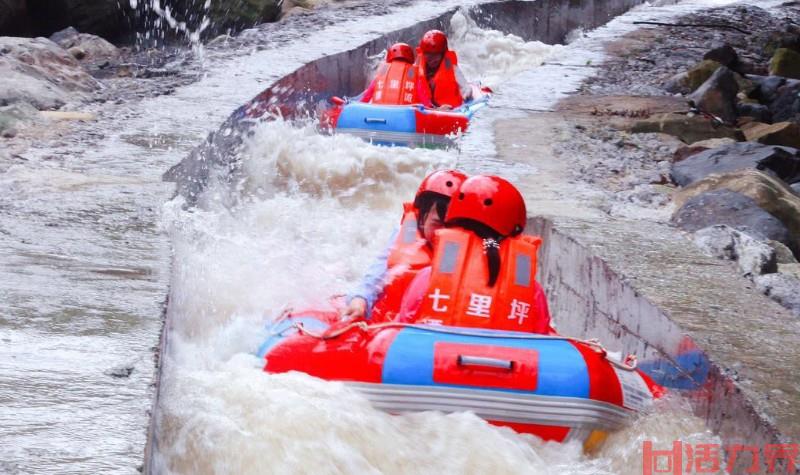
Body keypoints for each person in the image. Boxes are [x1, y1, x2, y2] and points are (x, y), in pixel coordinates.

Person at [395, 175, 555, 334]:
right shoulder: (532, 293)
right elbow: (541, 340)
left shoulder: (427, 278)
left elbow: (400, 334)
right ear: (515, 233)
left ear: (452, 224)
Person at [341, 170, 468, 321]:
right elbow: (376, 274)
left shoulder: (469, 248)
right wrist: (360, 299)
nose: (443, 233)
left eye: (451, 227)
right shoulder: (405, 234)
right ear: (422, 218)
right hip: (390, 321)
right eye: (437, 224)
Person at [415, 30, 473, 110]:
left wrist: (467, 95)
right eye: (428, 56)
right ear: (423, 54)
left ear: (442, 54)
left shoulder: (452, 68)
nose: (432, 60)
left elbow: (466, 88)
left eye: (435, 56)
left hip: (447, 109)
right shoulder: (417, 67)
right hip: (425, 108)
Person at [360, 43, 429, 106]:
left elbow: (365, 98)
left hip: (379, 113)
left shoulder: (382, 72)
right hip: (405, 115)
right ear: (410, 60)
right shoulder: (415, 73)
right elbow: (425, 101)